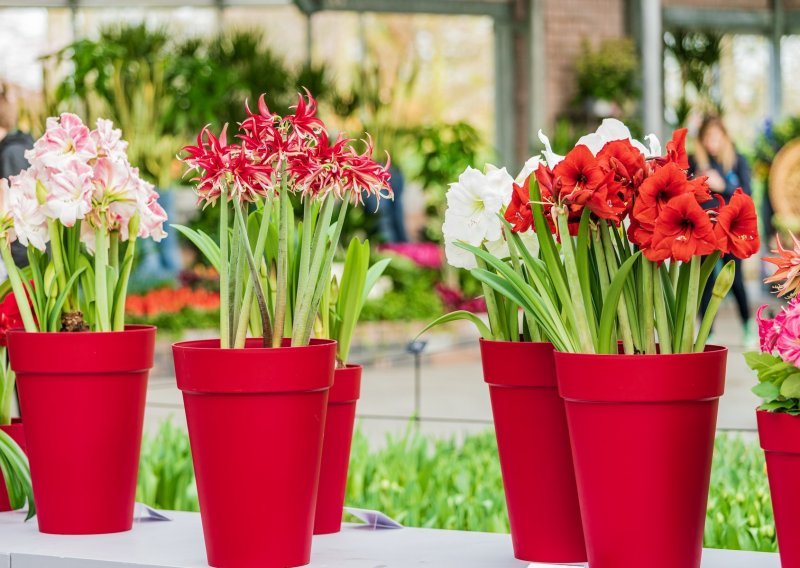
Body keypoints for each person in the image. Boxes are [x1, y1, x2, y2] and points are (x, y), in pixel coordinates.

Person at [690, 115, 756, 347]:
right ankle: (708, 332)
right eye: (707, 138)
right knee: (705, 280)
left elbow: (747, 193)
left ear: (725, 137)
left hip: (731, 230)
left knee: (735, 280)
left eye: (716, 137)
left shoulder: (737, 160)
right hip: (704, 229)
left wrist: (723, 186)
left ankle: (748, 326)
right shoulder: (695, 162)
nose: (712, 143)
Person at [0, 84, 33, 268]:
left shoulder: (11, 154)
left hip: (22, 266)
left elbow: (18, 214)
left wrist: (17, 269)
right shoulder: (18, 148)